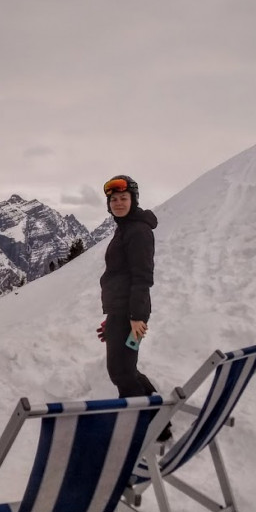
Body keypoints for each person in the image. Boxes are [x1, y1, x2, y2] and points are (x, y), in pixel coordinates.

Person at [98, 175, 169, 438]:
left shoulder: (138, 231)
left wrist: (135, 316)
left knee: (121, 372)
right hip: (122, 312)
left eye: (123, 198)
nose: (118, 203)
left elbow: (142, 276)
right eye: (113, 199)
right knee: (126, 369)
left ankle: (147, 429)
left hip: (131, 313)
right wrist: (114, 317)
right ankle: (159, 420)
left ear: (133, 200)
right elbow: (120, 275)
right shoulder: (126, 227)